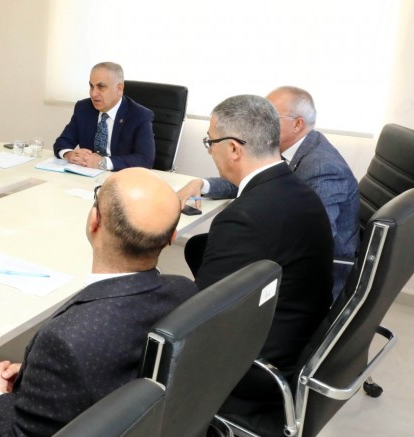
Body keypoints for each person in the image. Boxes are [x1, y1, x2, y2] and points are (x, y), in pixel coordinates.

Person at [0, 168, 198, 437]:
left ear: (93, 222)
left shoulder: (66, 339)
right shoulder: (185, 291)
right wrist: (37, 374)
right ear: (172, 237)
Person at [184, 95, 333, 413]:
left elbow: (199, 318)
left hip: (259, 366)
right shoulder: (301, 191)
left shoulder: (244, 217)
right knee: (198, 247)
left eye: (210, 142)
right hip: (300, 336)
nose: (209, 151)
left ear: (233, 149)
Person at [177, 86, 358, 299]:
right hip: (286, 246)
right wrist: (203, 184)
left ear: (298, 124)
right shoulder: (284, 150)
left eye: (270, 114)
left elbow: (311, 238)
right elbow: (256, 178)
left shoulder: (322, 167)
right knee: (199, 247)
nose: (261, 120)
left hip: (309, 280)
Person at [53, 62, 155, 171]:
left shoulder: (139, 115)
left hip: (120, 176)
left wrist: (103, 163)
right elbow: (62, 142)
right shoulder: (83, 108)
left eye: (101, 87)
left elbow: (145, 159)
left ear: (119, 89)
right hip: (87, 174)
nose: (93, 94)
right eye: (91, 86)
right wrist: (69, 154)